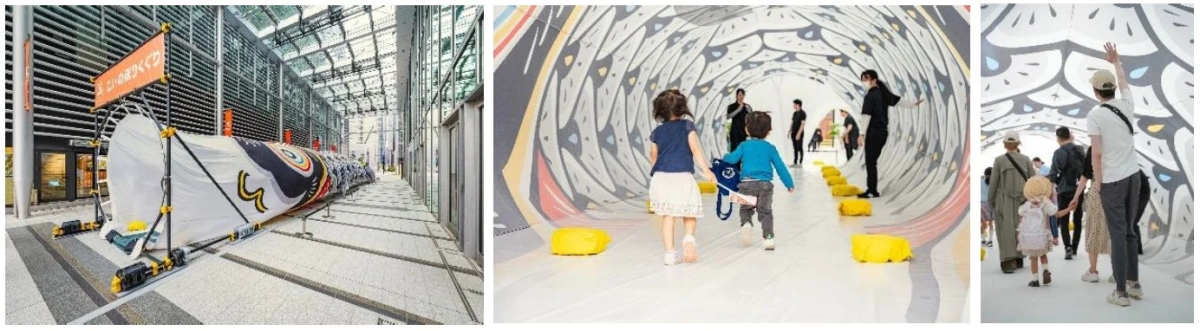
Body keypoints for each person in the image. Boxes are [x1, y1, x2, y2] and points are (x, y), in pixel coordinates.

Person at [1087, 42, 1142, 306]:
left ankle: (1120, 293)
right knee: (1130, 230)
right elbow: (1124, 82)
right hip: (1134, 177)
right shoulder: (1127, 104)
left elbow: (1096, 153)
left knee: (1117, 234)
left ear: (1095, 91)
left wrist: (1097, 182)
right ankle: (1134, 283)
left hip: (1112, 181)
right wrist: (1116, 61)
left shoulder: (1095, 115)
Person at [648, 89, 717, 266]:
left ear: (660, 111)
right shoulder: (687, 126)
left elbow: (653, 156)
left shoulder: (658, 132)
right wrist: (707, 171)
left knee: (668, 217)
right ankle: (688, 237)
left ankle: (670, 254)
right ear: (682, 108)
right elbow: (695, 150)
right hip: (682, 175)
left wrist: (655, 172)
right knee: (689, 211)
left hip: (661, 176)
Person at [723, 111, 796, 250]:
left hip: (746, 184)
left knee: (745, 209)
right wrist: (789, 183)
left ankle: (746, 224)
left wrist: (725, 157)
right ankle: (769, 239)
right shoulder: (770, 148)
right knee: (765, 212)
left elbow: (732, 159)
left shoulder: (744, 145)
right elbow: (780, 167)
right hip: (765, 186)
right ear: (769, 131)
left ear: (746, 129)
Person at [856, 70, 924, 199]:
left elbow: (866, 116)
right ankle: (872, 189)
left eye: (866, 79)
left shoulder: (870, 96)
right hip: (882, 133)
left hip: (873, 132)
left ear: (874, 80)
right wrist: (913, 104)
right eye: (862, 79)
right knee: (872, 161)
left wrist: (861, 134)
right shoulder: (883, 93)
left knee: (870, 162)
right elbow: (898, 101)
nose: (863, 82)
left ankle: (872, 190)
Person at [1064, 146, 1112, 283]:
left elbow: (1085, 175)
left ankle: (1093, 271)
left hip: (1096, 195)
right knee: (1114, 233)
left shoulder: (1094, 148)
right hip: (1115, 194)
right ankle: (1117, 272)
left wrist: (1076, 196)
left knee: (1093, 231)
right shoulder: (1116, 146)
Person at [990, 131, 1035, 273]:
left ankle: (1008, 261)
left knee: (1005, 230)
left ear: (1004, 144)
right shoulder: (1026, 159)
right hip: (1023, 200)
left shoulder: (999, 160)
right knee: (1020, 228)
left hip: (1004, 200)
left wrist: (991, 201)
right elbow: (1033, 181)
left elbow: (994, 183)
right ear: (1018, 144)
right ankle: (1019, 257)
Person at [1047, 126, 1087, 260]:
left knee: (1063, 219)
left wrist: (1049, 194)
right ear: (1070, 135)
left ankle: (1067, 247)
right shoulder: (1080, 149)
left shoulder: (1058, 152)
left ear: (1058, 138)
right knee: (1077, 218)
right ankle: (1075, 247)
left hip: (1064, 189)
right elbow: (1086, 171)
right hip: (1078, 189)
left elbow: (1053, 175)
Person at [1018, 176, 1059, 287]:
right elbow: (1054, 211)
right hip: (1042, 235)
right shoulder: (1045, 202)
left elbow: (1020, 212)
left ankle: (1035, 280)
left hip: (1030, 236)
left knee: (1033, 258)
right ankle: (1046, 270)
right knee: (1043, 254)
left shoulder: (1027, 204)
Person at [726, 88, 754, 153]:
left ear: (744, 96)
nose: (740, 96)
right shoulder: (732, 106)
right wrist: (738, 109)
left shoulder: (747, 106)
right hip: (734, 132)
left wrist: (749, 111)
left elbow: (752, 119)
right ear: (736, 96)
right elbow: (728, 117)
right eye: (739, 95)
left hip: (743, 133)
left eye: (742, 95)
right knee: (734, 151)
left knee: (743, 151)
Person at [789, 99, 807, 167]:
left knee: (799, 147)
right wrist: (789, 131)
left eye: (794, 104)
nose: (793, 106)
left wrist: (798, 134)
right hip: (793, 132)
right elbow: (792, 122)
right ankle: (795, 162)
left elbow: (802, 124)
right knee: (795, 148)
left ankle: (800, 162)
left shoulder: (803, 113)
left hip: (799, 133)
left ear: (798, 105)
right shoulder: (794, 113)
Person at [981, 167, 994, 247]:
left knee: (987, 223)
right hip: (984, 204)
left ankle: (987, 240)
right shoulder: (981, 180)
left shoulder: (981, 180)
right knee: (987, 223)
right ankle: (986, 240)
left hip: (986, 203)